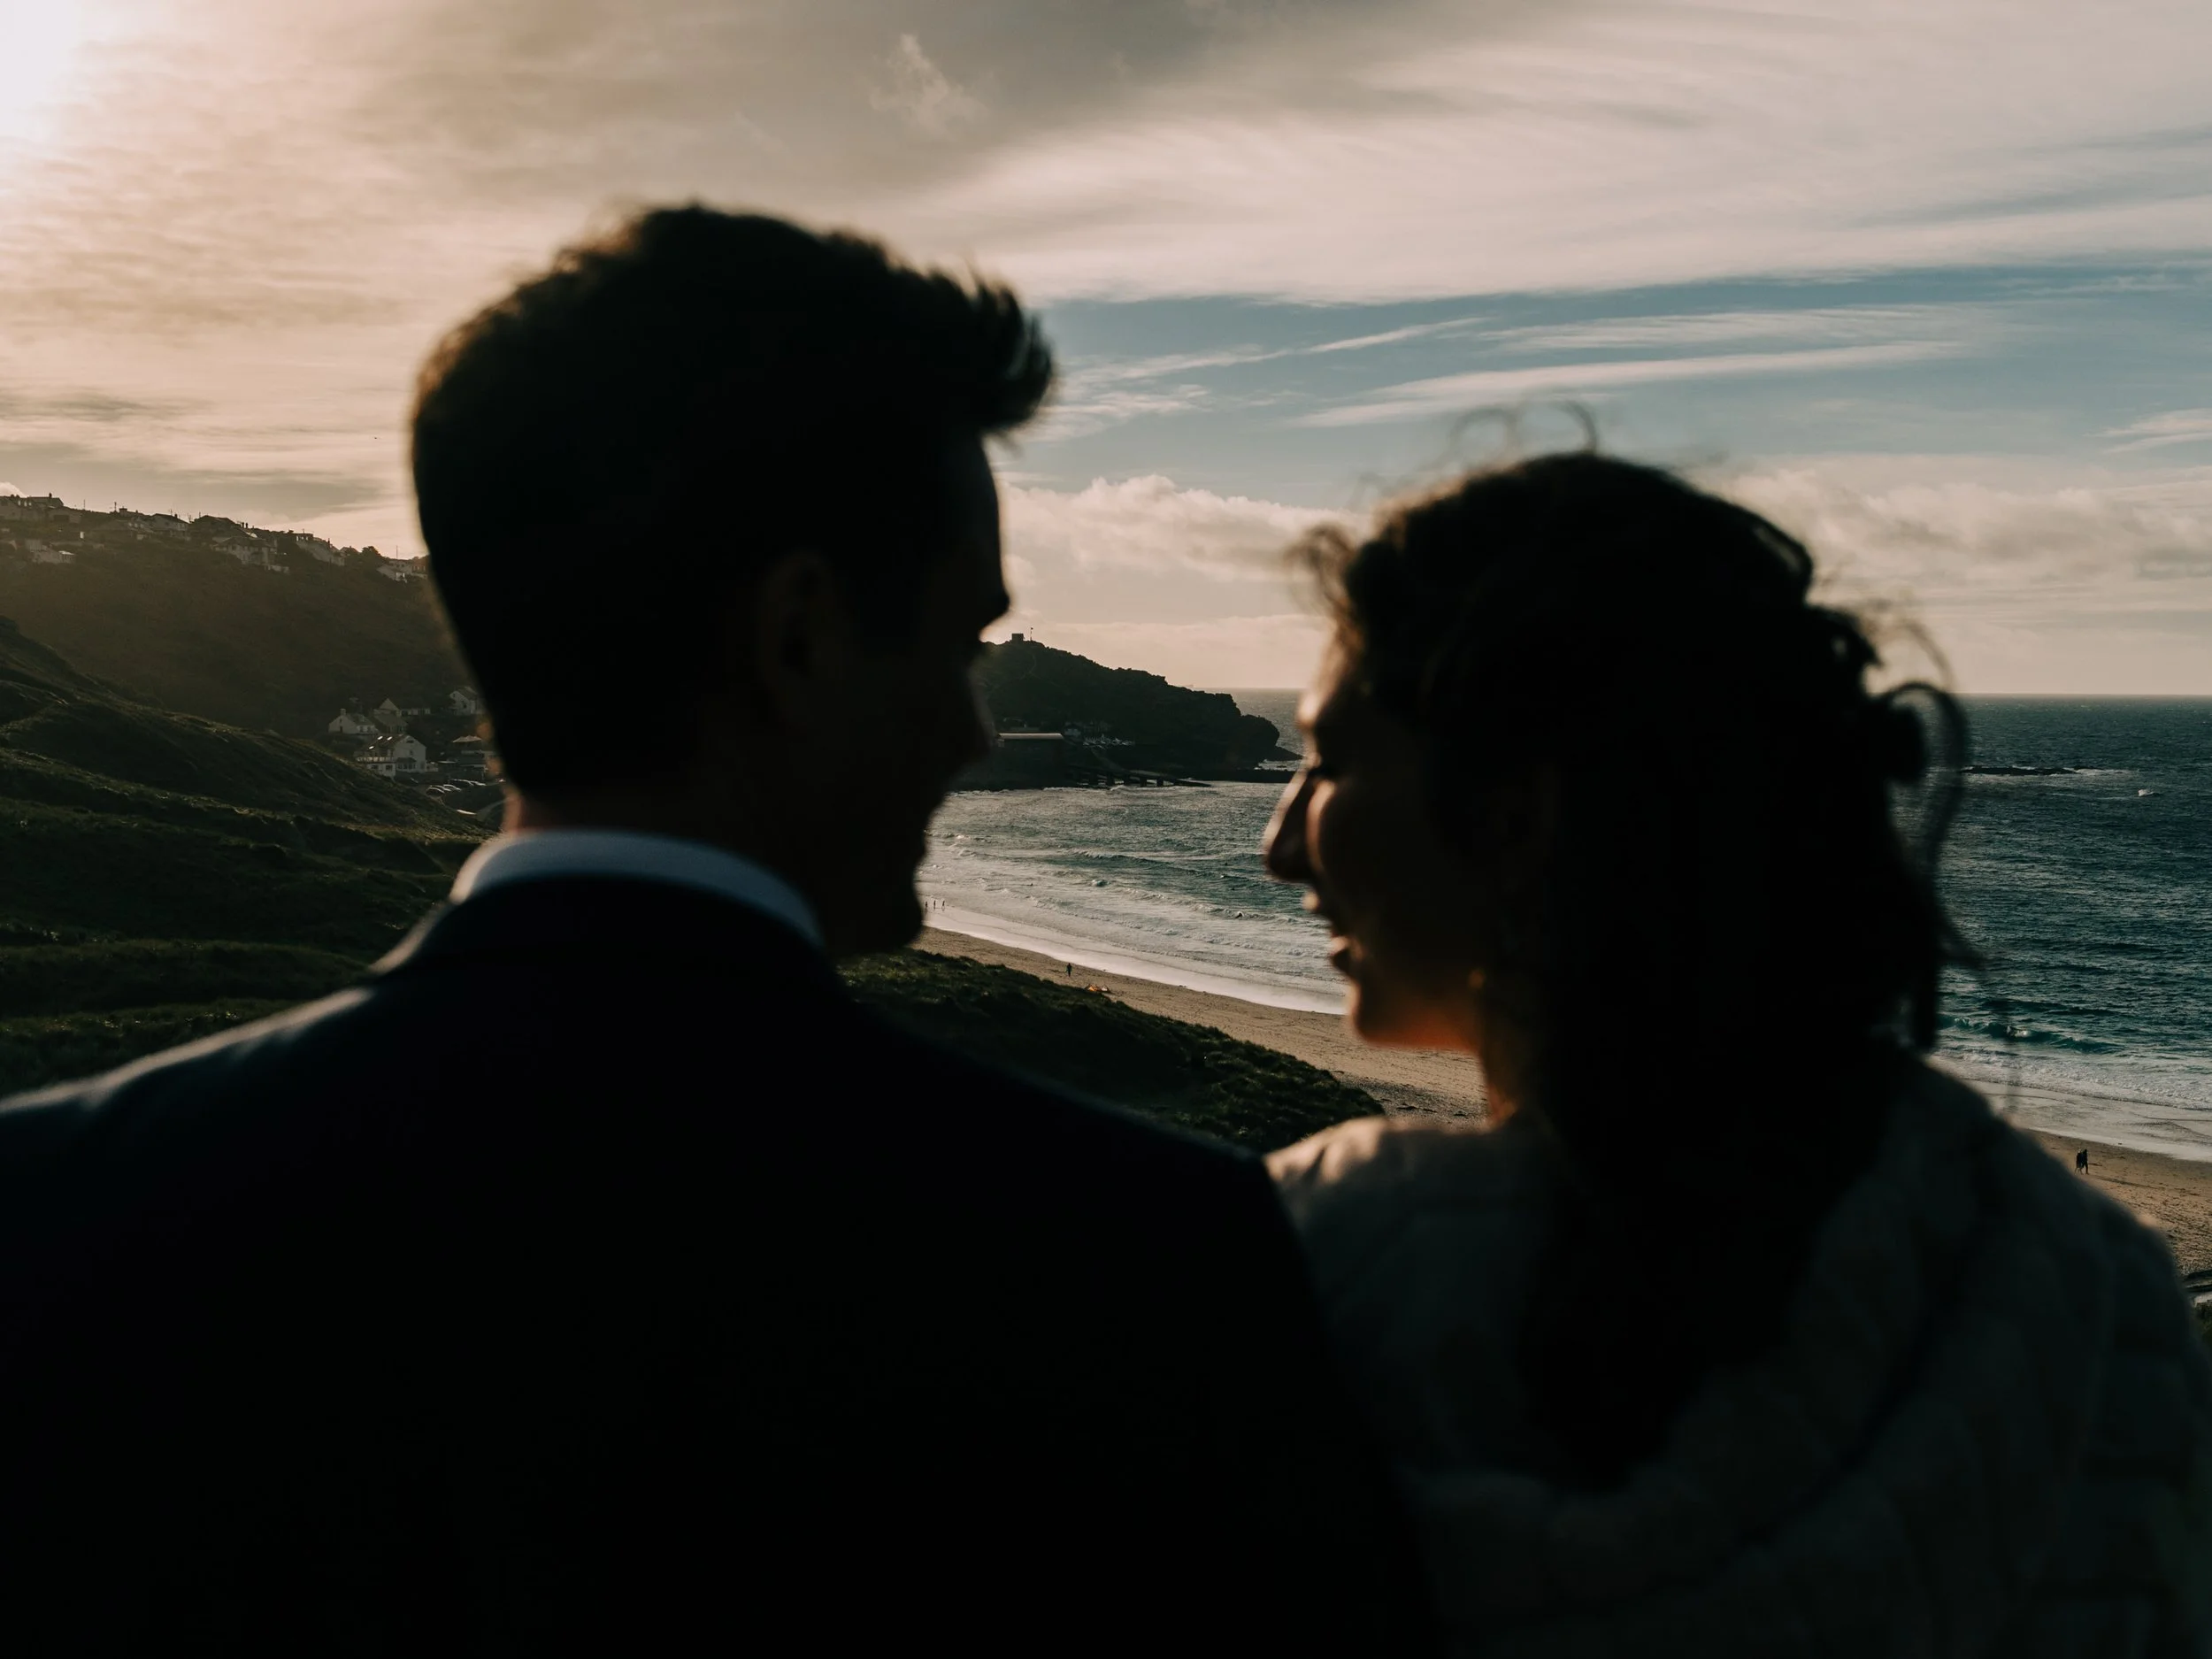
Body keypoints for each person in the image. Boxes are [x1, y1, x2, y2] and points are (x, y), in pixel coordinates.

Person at [0, 208, 1428, 1655]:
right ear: (799, 636)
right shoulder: (1159, 1262)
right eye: (954, 649)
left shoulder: (52, 1208)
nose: (971, 731)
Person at [1261, 453, 2212, 1654]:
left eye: (1328, 762)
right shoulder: (2096, 1309)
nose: (1280, 844)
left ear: (1516, 816)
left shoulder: (1320, 1272)